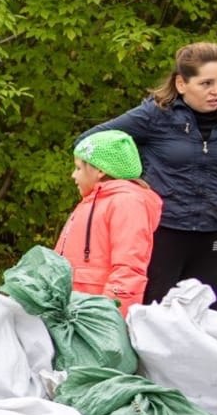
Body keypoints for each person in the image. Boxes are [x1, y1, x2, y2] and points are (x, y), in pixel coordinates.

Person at [80, 42, 217, 308]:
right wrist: (131, 186)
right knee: (154, 319)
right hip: (164, 231)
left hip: (214, 232)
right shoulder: (155, 115)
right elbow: (92, 141)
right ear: (181, 83)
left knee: (208, 321)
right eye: (206, 83)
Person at [54, 130, 164, 316]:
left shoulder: (126, 203)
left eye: (79, 168)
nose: (73, 175)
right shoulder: (92, 201)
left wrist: (108, 315)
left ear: (100, 170)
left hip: (95, 316)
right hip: (74, 310)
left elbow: (129, 268)